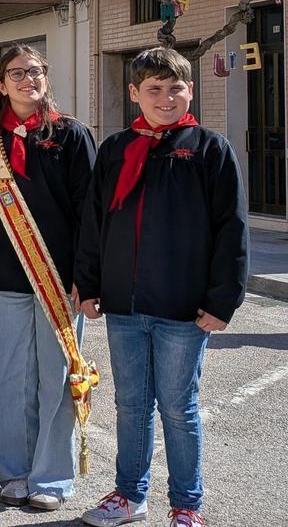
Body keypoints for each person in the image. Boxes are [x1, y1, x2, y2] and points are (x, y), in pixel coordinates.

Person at [77, 48, 248, 527]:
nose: (166, 97)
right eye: (153, 89)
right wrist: (88, 284)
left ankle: (186, 504)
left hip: (184, 310)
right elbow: (94, 223)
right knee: (131, 404)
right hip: (125, 307)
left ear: (190, 90)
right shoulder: (114, 150)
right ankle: (130, 496)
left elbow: (231, 229)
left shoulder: (210, 150)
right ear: (134, 94)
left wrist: (222, 302)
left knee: (178, 408)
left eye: (175, 88)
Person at [0, 45, 97, 511]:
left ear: (46, 78)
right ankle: (13, 470)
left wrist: (87, 276)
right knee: (11, 379)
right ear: (1, 84)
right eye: (15, 73)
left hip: (59, 281)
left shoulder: (72, 136)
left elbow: (88, 212)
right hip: (4, 278)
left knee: (57, 377)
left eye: (34, 71)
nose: (26, 80)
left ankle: (52, 478)